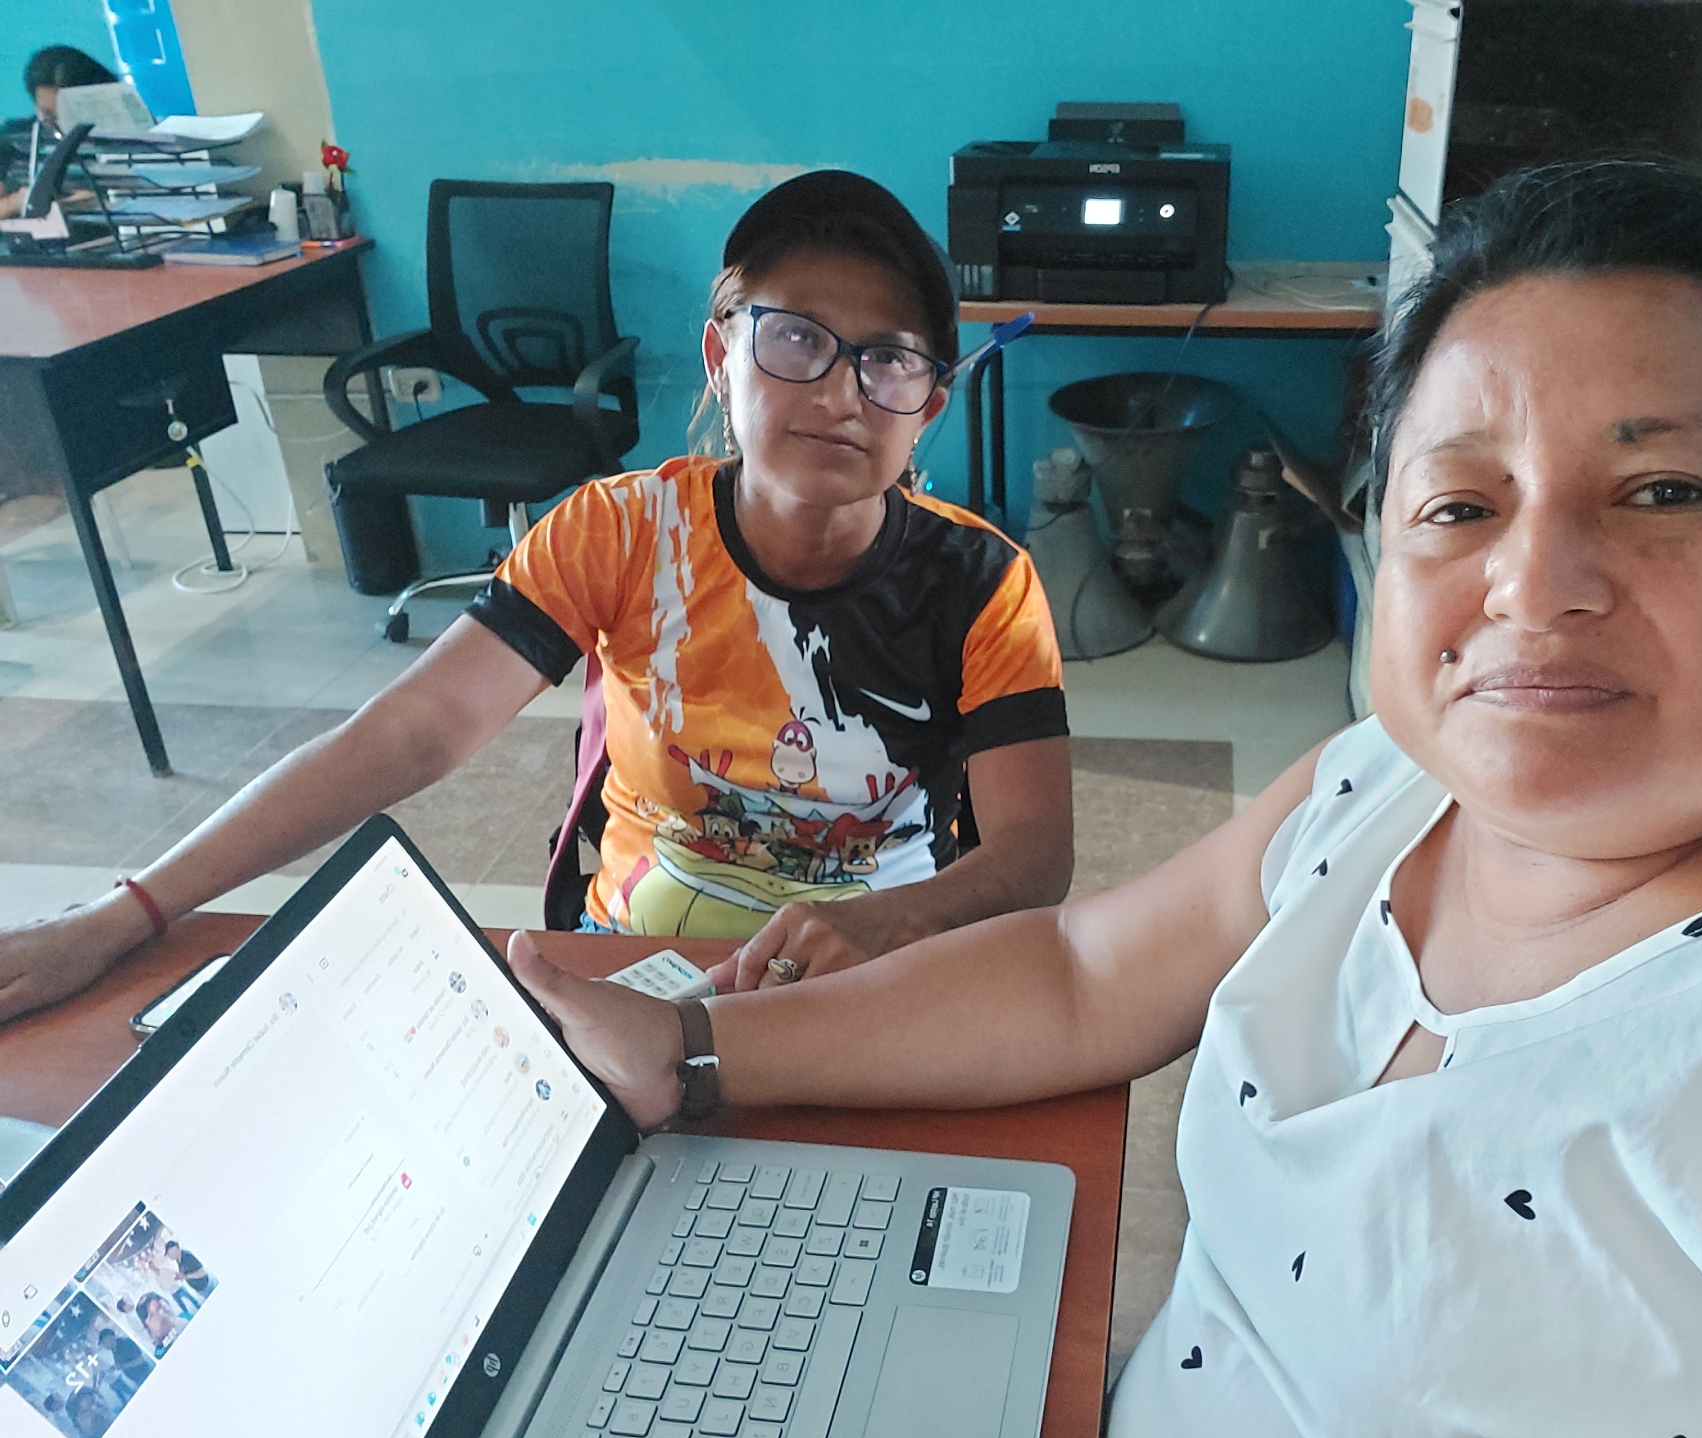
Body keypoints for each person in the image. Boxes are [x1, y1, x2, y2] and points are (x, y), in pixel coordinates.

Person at [503, 160, 1702, 1438]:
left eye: (1662, 490)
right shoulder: (1384, 788)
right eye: (1459, 503)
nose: (1534, 582)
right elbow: (1080, 974)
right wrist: (690, 1046)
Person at [0, 170, 1072, 1021]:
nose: (840, 391)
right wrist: (132, 912)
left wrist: (894, 922)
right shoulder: (621, 531)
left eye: (887, 360)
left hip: (872, 968)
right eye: (795, 337)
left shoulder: (981, 581)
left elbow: (1034, 853)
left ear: (928, 405)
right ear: (720, 356)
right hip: (642, 962)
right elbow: (411, 730)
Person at [0, 45, 118, 221]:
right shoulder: (14, 139)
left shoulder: (118, 142)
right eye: (49, 115)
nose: (60, 126)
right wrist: (16, 202)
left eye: (69, 116)